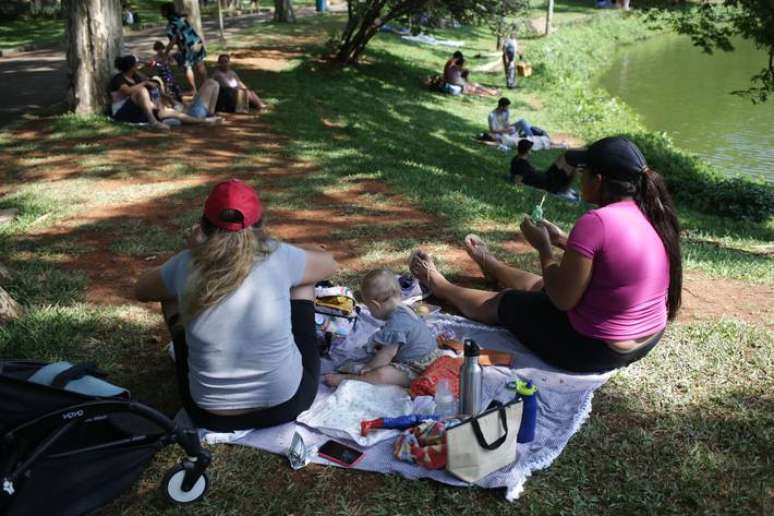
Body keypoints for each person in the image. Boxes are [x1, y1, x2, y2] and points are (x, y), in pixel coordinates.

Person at [408, 136, 682, 374]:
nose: (579, 176)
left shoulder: (596, 221)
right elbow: (612, 259)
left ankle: (439, 285)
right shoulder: (652, 213)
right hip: (645, 340)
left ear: (598, 181)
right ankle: (492, 265)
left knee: (507, 302)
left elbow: (562, 300)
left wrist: (544, 248)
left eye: (583, 171)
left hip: (596, 350)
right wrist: (563, 240)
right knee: (541, 286)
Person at [135, 179, 338, 432]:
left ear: (204, 224)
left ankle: (188, 352)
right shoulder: (277, 254)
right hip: (287, 404)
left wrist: (189, 253)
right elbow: (329, 264)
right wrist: (298, 250)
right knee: (303, 282)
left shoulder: (187, 262)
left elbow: (142, 288)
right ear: (260, 224)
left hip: (209, 415)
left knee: (170, 294)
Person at [323, 269, 442, 388]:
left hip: (419, 369)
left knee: (381, 374)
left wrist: (370, 367)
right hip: (434, 357)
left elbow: (387, 354)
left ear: (375, 305)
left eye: (369, 308)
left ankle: (346, 379)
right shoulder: (405, 309)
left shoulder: (395, 325)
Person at [109, 55, 222, 128]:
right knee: (142, 90)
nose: (138, 66)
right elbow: (128, 91)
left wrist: (167, 98)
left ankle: (204, 121)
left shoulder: (136, 77)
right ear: (132, 67)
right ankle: (153, 121)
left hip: (140, 109)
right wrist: (144, 83)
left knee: (175, 113)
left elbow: (150, 82)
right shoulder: (119, 78)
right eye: (136, 65)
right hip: (123, 111)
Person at [160, 2, 207, 95]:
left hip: (188, 46)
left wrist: (166, 53)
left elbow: (173, 40)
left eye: (162, 11)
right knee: (200, 63)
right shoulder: (180, 17)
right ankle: (206, 85)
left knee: (187, 67)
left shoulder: (171, 24)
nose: (161, 13)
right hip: (197, 42)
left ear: (166, 12)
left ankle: (193, 89)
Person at [510, 139, 579, 197]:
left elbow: (525, 172)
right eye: (530, 149)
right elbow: (517, 181)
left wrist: (536, 170)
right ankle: (565, 190)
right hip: (549, 184)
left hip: (546, 176)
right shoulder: (522, 165)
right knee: (573, 165)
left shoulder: (517, 159)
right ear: (528, 151)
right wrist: (541, 191)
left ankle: (564, 189)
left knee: (566, 155)